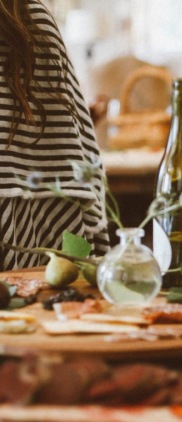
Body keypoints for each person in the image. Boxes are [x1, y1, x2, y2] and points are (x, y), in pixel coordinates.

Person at [0, 0, 109, 271]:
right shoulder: (30, 16)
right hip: (39, 218)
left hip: (31, 215)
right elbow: (78, 139)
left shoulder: (29, 18)